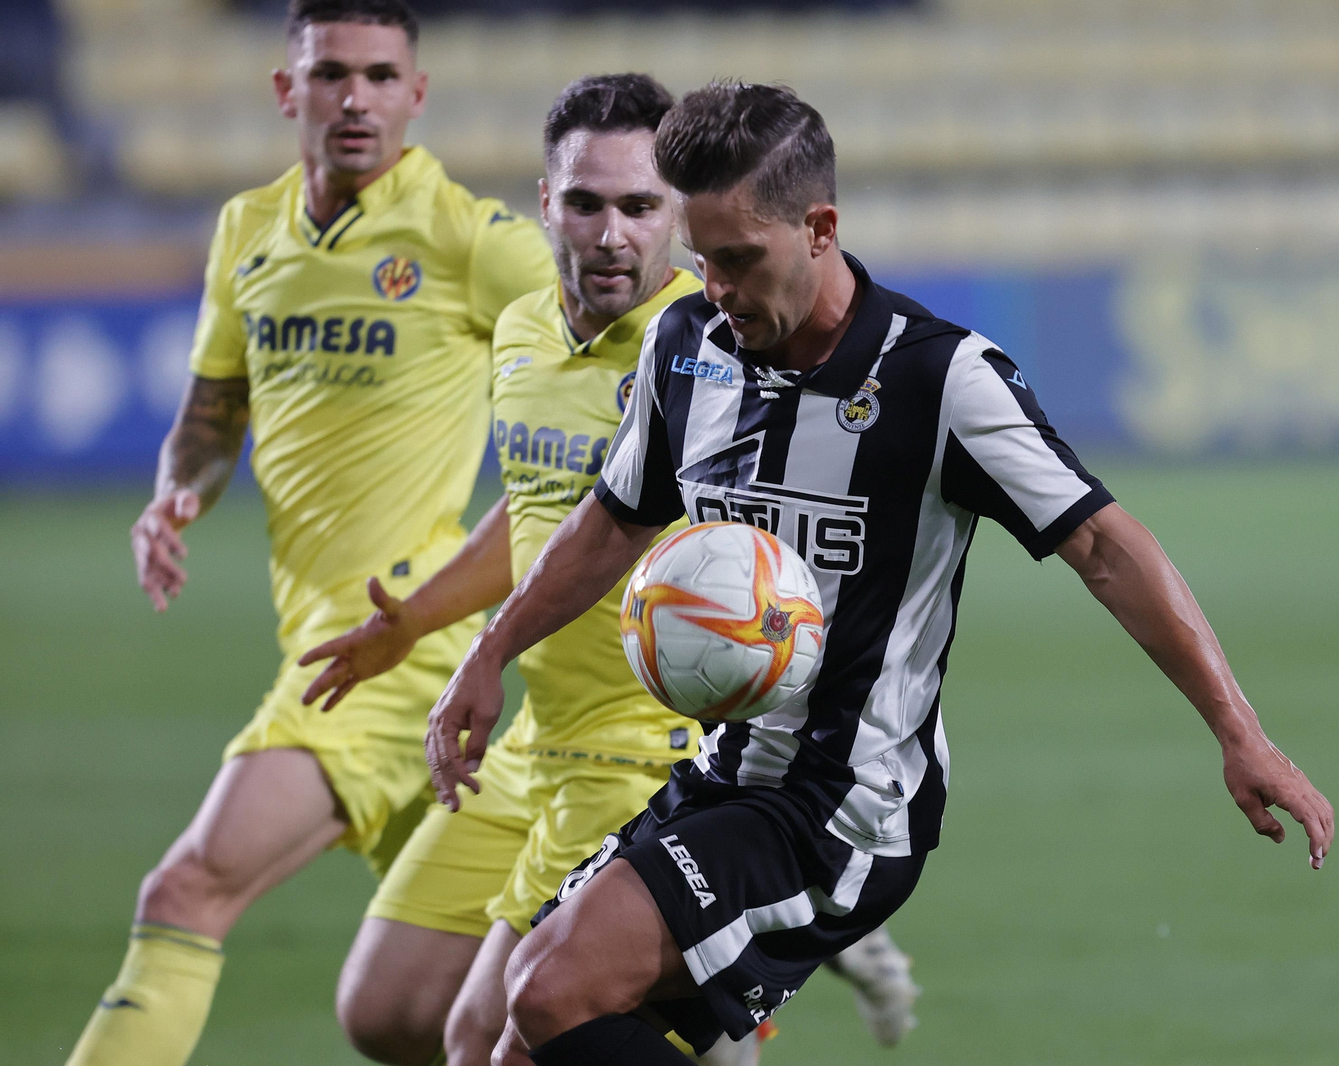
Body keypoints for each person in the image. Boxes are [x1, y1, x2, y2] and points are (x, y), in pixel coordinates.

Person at [428, 82, 1336, 1066]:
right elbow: (613, 519)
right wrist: (491, 652)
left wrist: (1239, 732)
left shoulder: (939, 380)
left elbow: (1107, 549)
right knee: (512, 1048)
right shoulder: (685, 347)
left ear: (820, 229)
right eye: (701, 259)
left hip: (845, 802)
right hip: (724, 773)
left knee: (549, 988)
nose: (716, 288)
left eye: (740, 260)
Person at [295, 73, 919, 1066]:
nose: (612, 234)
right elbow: (544, 512)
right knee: (384, 1009)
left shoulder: (721, 344)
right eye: (586, 203)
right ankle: (755, 980)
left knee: (500, 1033)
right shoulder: (521, 333)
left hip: (655, 745)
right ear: (545, 203)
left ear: (680, 213)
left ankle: (750, 966)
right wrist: (421, 622)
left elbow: (782, 556)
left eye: (640, 205)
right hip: (536, 738)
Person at [65, 4, 554, 1064]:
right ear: (289, 91)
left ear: (416, 95)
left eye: (380, 75)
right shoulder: (248, 231)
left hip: (395, 640)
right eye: (332, 73)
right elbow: (210, 415)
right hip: (328, 639)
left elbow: (628, 319)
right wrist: (174, 496)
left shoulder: (468, 238)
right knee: (454, 1008)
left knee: (186, 889)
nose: (356, 98)